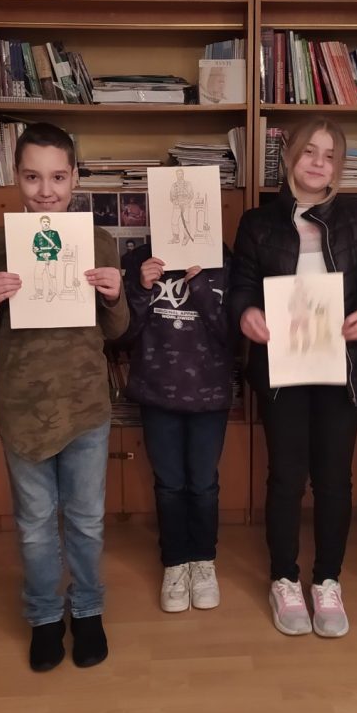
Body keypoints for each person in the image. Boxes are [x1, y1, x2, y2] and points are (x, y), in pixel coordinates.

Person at [0, 121, 128, 673]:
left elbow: (117, 330)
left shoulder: (97, 241)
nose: (46, 190)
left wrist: (116, 296)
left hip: (85, 405)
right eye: (33, 177)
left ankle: (88, 609)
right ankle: (42, 616)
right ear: (16, 177)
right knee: (35, 526)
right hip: (23, 408)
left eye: (58, 177)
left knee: (86, 520)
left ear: (75, 177)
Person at [230, 117, 357, 638]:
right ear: (290, 156)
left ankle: (327, 581)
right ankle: (283, 578)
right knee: (285, 476)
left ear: (338, 167)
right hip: (283, 368)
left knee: (334, 479)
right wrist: (246, 314)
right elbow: (241, 286)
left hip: (342, 367)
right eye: (309, 151)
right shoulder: (258, 222)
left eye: (329, 155)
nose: (319, 162)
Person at [122, 243, 233, 612]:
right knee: (169, 484)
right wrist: (140, 288)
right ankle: (174, 562)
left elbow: (233, 333)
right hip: (157, 392)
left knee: (203, 484)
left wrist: (199, 287)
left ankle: (203, 561)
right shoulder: (138, 259)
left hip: (209, 394)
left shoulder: (225, 260)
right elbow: (121, 333)